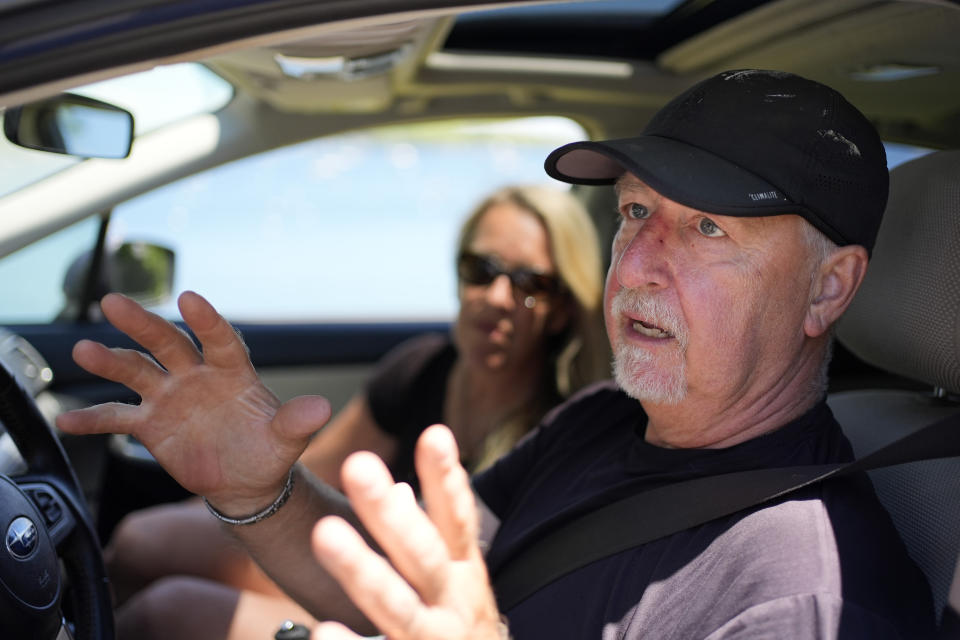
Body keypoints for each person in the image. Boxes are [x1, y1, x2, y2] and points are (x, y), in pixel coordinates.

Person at [57, 69, 937, 639]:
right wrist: (261, 493)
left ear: (828, 289)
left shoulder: (805, 600)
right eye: (636, 213)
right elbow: (405, 586)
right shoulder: (601, 420)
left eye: (706, 227)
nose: (634, 270)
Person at [99, 184, 609, 640]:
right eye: (482, 270)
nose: (497, 297)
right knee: (138, 539)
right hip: (347, 566)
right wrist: (224, 495)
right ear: (458, 275)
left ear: (563, 307)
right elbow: (318, 468)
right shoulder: (422, 368)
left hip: (415, 615)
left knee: (168, 612)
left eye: (529, 285)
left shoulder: (559, 429)